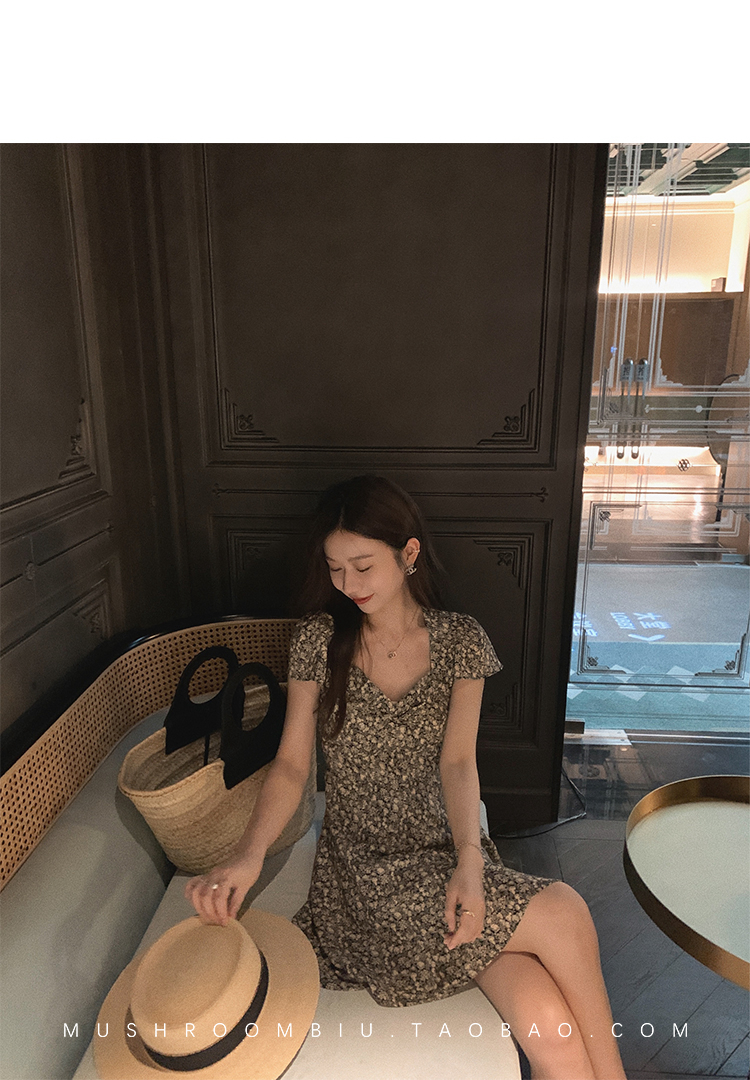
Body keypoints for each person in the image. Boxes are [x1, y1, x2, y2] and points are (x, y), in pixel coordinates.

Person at [187, 474, 627, 1080]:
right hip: (364, 878)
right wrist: (248, 855)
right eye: (335, 569)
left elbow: (458, 762)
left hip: (444, 858)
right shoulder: (318, 641)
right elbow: (291, 765)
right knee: (565, 909)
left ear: (409, 553)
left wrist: (470, 862)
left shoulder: (460, 641)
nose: (348, 585)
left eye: (363, 566)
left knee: (551, 1031)